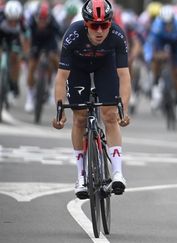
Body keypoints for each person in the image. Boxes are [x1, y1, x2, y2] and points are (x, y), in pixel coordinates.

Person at [52, 0, 131, 199]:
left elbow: (124, 76)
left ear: (110, 24)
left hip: (105, 66)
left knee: (110, 115)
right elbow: (61, 77)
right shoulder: (73, 35)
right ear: (86, 24)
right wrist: (59, 111)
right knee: (79, 118)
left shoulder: (117, 35)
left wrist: (125, 109)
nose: (99, 31)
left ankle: (117, 173)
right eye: (94, 25)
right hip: (78, 69)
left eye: (104, 25)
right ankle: (80, 176)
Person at [144, 4, 177, 122]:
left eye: (169, 23)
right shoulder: (157, 25)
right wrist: (149, 56)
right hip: (161, 41)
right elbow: (150, 43)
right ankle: (156, 84)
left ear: (173, 20)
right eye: (164, 24)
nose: (167, 26)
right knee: (155, 58)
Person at [25, 1, 63, 112]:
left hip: (49, 42)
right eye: (40, 19)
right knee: (32, 66)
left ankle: (52, 87)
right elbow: (26, 37)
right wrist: (28, 50)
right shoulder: (31, 22)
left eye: (44, 20)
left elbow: (61, 35)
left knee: (55, 60)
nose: (42, 22)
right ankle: (30, 96)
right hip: (36, 42)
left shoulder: (53, 22)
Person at [0, 0, 29, 102]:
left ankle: (14, 83)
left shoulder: (22, 22)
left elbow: (26, 38)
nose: (12, 23)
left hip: (14, 39)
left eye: (14, 20)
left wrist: (25, 53)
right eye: (10, 20)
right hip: (2, 36)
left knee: (15, 57)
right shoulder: (1, 17)